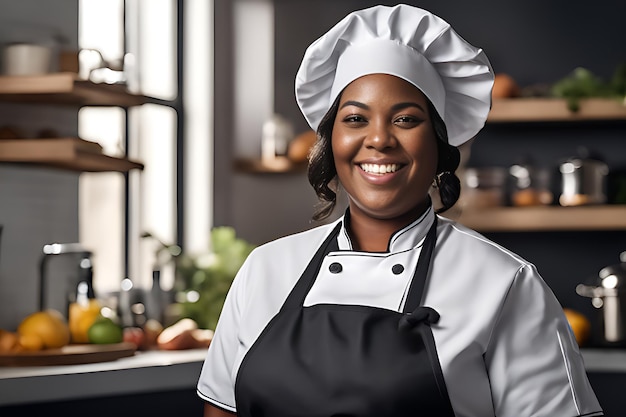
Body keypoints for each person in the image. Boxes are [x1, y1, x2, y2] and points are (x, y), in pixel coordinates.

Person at [197, 4, 603, 416]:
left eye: (406, 120)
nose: (379, 140)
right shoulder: (264, 270)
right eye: (355, 118)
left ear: (439, 145)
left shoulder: (504, 284)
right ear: (331, 139)